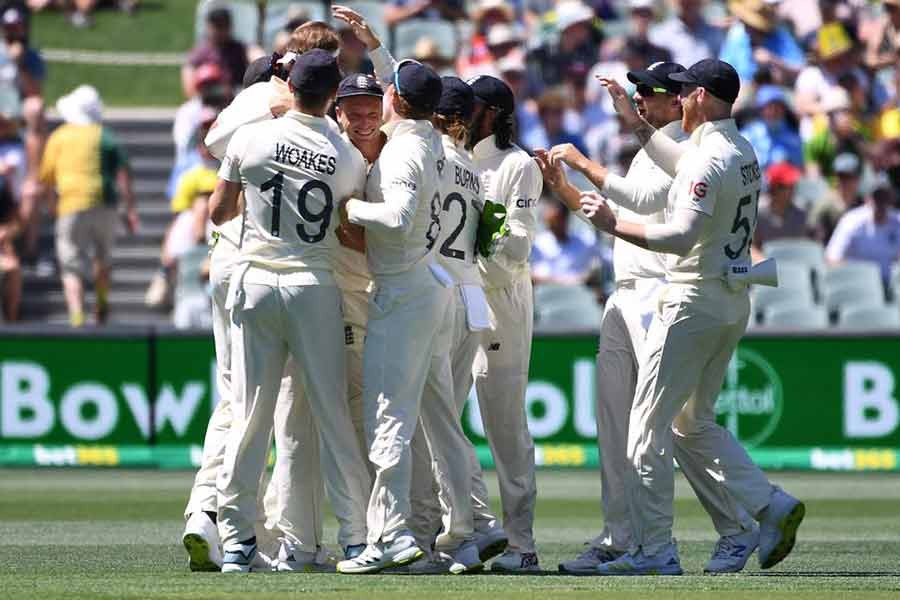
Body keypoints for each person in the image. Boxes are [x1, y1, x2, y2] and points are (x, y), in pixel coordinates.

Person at [582, 58, 805, 575]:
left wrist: (614, 224)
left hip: (691, 300)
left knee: (646, 429)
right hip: (730, 299)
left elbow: (680, 236)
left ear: (701, 96)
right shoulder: (740, 149)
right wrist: (636, 123)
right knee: (693, 423)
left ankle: (655, 551)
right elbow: (679, 161)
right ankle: (768, 504)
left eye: (684, 92)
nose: (678, 99)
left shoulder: (708, 159)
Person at [536, 60, 759, 575]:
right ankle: (621, 536)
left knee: (662, 427)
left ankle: (724, 526)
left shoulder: (687, 151)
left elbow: (635, 204)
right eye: (637, 91)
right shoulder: (659, 148)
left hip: (660, 293)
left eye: (651, 92)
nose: (641, 98)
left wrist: (582, 164)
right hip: (626, 292)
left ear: (682, 97)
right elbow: (614, 213)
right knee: (620, 426)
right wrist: (565, 189)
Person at [209, 49, 370, 573]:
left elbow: (218, 211)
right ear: (333, 97)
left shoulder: (251, 138)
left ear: (291, 87)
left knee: (249, 415)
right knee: (331, 413)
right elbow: (348, 228)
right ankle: (355, 538)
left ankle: (237, 541)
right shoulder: (347, 156)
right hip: (313, 286)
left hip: (255, 282)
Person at [334, 59, 453, 575]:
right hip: (424, 282)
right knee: (418, 417)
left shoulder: (404, 150)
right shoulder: (427, 139)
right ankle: (422, 530)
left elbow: (399, 216)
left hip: (403, 288)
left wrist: (351, 209)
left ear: (397, 101)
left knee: (387, 416)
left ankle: (391, 536)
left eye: (388, 89)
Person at [467, 75, 543, 572]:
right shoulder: (454, 157)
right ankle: (468, 529)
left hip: (501, 302)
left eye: (470, 106)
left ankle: (521, 544)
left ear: (491, 112)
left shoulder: (518, 166)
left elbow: (519, 247)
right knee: (436, 417)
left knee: (506, 425)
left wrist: (481, 228)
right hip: (455, 295)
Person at [38, 85, 137, 327]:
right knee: (103, 258)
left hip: (71, 204)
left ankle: (77, 315)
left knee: (71, 265)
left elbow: (46, 179)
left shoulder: (59, 136)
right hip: (105, 205)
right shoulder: (105, 135)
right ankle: (101, 303)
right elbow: (123, 174)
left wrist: (52, 206)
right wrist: (129, 209)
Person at [825, 173, 900, 287]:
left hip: (890, 285)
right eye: (877, 197)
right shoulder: (851, 221)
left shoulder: (897, 221)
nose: (881, 202)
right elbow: (832, 259)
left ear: (891, 199)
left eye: (885, 197)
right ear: (867, 199)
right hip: (856, 284)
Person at [718, 0, 804, 85]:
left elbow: (800, 69)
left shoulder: (779, 37)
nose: (746, 28)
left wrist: (773, 60)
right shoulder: (737, 37)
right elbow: (723, 71)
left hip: (776, 89)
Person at [529, 200, 600, 287]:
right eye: (550, 222)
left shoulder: (585, 242)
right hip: (545, 292)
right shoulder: (537, 244)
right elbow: (530, 274)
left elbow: (598, 267)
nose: (553, 225)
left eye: (556, 221)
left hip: (577, 291)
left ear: (565, 220)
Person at [183, 7, 248, 98]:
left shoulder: (240, 48)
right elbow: (189, 82)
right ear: (208, 26)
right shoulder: (200, 52)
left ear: (230, 26)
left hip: (236, 97)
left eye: (224, 25)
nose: (220, 30)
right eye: (217, 26)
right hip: (207, 98)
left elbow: (255, 55)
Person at [740, 85, 804, 170]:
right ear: (760, 110)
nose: (773, 112)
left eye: (777, 107)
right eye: (769, 107)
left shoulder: (793, 137)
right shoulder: (748, 135)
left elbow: (799, 166)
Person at [752, 161, 809, 255]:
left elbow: (802, 248)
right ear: (775, 188)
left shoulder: (800, 214)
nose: (793, 189)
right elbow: (752, 249)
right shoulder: (758, 214)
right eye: (788, 186)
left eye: (793, 185)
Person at [807, 151, 864, 245]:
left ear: (858, 178)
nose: (844, 181)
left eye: (849, 177)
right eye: (841, 176)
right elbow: (815, 237)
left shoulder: (863, 204)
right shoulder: (825, 205)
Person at [649, 0, 724, 69]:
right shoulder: (659, 35)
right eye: (684, 2)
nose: (688, 4)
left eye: (692, 1)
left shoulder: (715, 34)